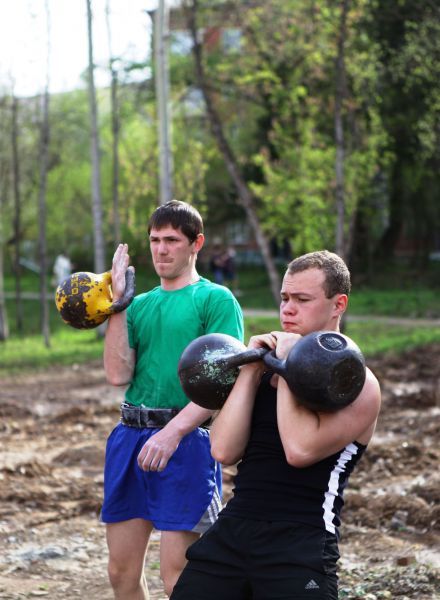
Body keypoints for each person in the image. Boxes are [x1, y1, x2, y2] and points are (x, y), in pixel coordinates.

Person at [170, 250, 381, 600]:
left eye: (302, 299)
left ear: (338, 304)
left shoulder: (357, 384)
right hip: (235, 529)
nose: (288, 309)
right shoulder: (263, 368)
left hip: (300, 539)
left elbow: (299, 450)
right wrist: (251, 372)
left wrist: (285, 369)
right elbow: (222, 450)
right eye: (284, 298)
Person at [101, 200, 244, 599]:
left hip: (186, 442)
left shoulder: (214, 299)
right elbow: (117, 374)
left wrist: (173, 433)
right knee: (120, 572)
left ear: (196, 243)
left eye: (171, 240)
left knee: (178, 575)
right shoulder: (139, 304)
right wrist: (118, 305)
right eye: (154, 240)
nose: (161, 249)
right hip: (130, 438)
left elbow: (225, 383)